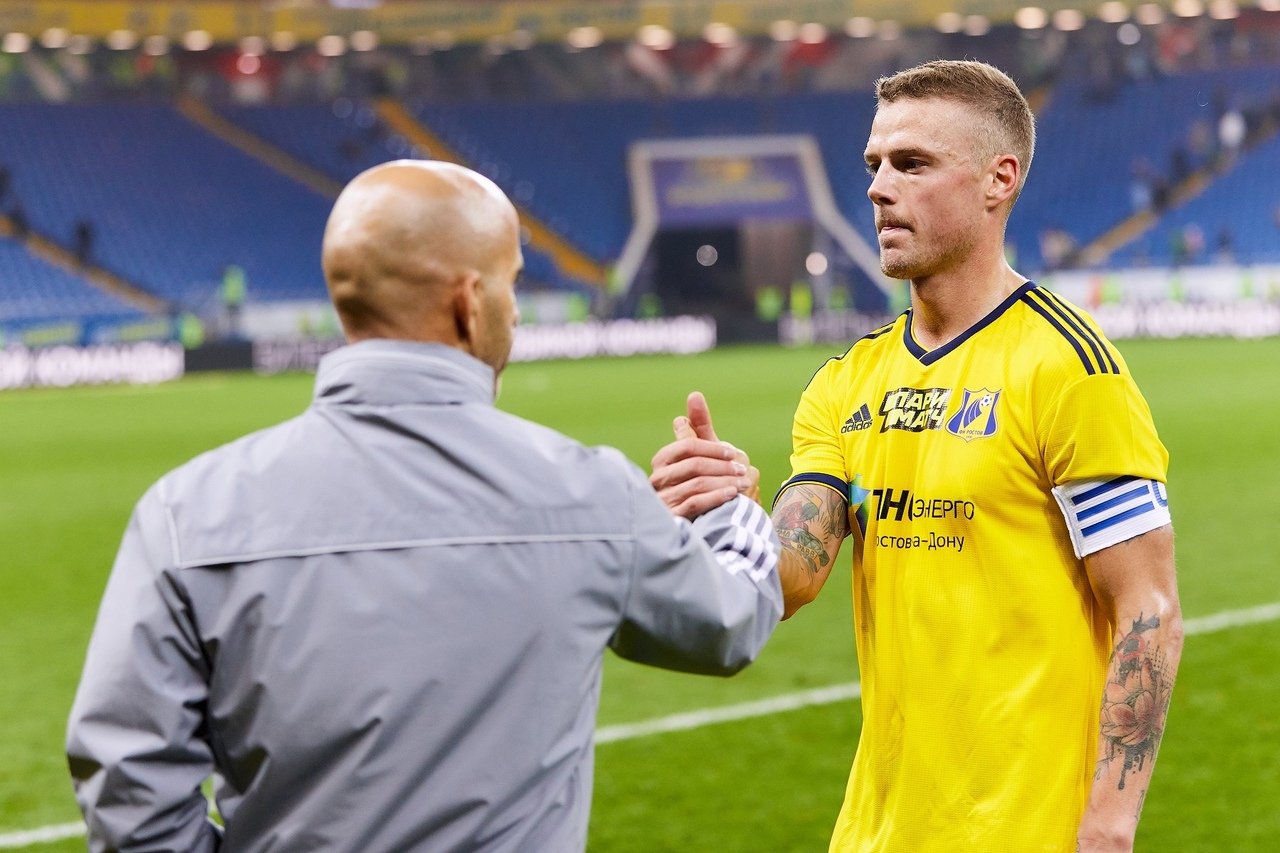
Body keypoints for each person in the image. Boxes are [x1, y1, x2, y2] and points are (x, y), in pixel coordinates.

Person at [66, 160, 782, 852]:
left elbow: (129, 788)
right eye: (511, 284)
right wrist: (726, 504)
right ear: (469, 302)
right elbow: (730, 620)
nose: (514, 311)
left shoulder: (185, 512)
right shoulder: (588, 491)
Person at [651, 60, 1182, 852]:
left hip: (1026, 833)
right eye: (874, 164)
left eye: (912, 163)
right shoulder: (845, 382)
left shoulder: (1068, 367)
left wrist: (1108, 826)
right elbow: (793, 574)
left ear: (1000, 179)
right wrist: (729, 509)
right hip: (876, 831)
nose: (878, 188)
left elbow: (1148, 608)